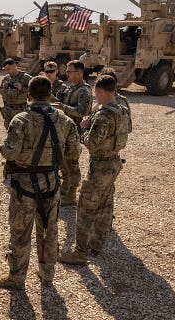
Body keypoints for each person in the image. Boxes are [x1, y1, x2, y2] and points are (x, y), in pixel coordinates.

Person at [0, 76, 80, 289]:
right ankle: (47, 274)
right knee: (49, 230)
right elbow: (74, 152)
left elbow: (10, 153)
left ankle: (16, 277)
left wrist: (3, 149)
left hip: (25, 186)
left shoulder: (21, 120)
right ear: (49, 95)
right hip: (51, 183)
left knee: (20, 232)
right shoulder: (65, 120)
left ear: (28, 95)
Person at [59, 75, 132, 265]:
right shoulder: (122, 110)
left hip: (100, 166)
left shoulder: (103, 115)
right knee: (106, 204)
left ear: (100, 92)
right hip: (114, 163)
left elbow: (91, 143)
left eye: (96, 94)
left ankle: (80, 252)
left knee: (85, 208)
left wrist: (84, 128)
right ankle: (97, 243)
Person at [53, 60, 92, 206]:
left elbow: (83, 111)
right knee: (63, 163)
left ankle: (70, 196)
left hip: (74, 132)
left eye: (70, 71)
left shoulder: (84, 90)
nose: (67, 74)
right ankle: (64, 192)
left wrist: (63, 107)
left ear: (80, 73)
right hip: (63, 130)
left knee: (72, 165)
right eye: (67, 71)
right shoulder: (70, 88)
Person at [0, 58, 32, 129]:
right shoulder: (6, 78)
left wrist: (22, 88)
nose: (7, 71)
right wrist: (5, 88)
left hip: (20, 110)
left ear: (14, 66)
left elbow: (34, 92)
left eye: (8, 69)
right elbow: (0, 90)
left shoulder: (26, 78)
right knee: (9, 130)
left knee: (21, 130)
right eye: (6, 70)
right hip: (8, 110)